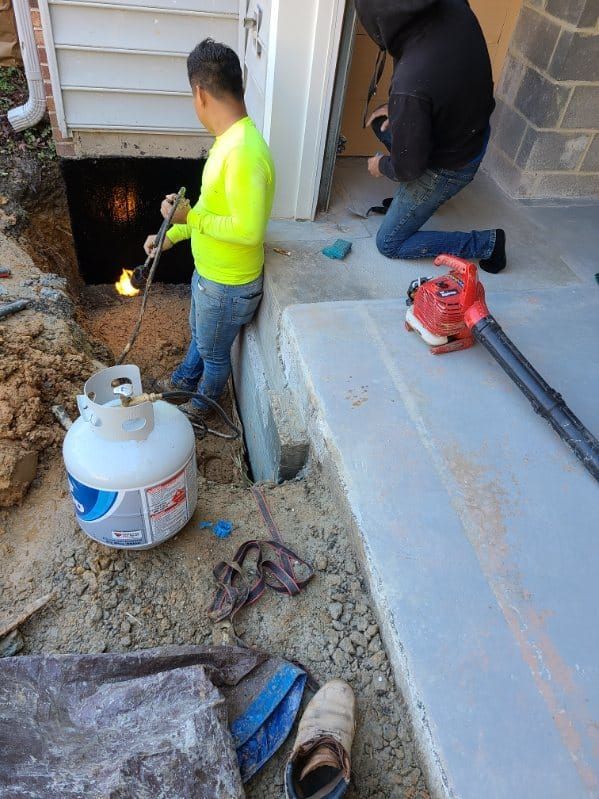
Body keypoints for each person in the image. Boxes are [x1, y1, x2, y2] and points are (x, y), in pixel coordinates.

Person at [144, 38, 275, 417]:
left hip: (228, 286)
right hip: (213, 278)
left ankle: (201, 407)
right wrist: (172, 234)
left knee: (216, 355)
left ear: (199, 93)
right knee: (203, 340)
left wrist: (191, 218)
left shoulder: (243, 153)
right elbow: (207, 212)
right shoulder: (228, 143)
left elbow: (248, 231)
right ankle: (185, 380)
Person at [355, 0, 506, 273]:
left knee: (389, 242)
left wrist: (381, 165)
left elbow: (409, 168)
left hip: (451, 165)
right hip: (469, 130)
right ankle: (415, 203)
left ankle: (486, 243)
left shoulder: (412, 81)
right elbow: (448, 81)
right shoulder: (452, 6)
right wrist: (403, 109)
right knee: (382, 122)